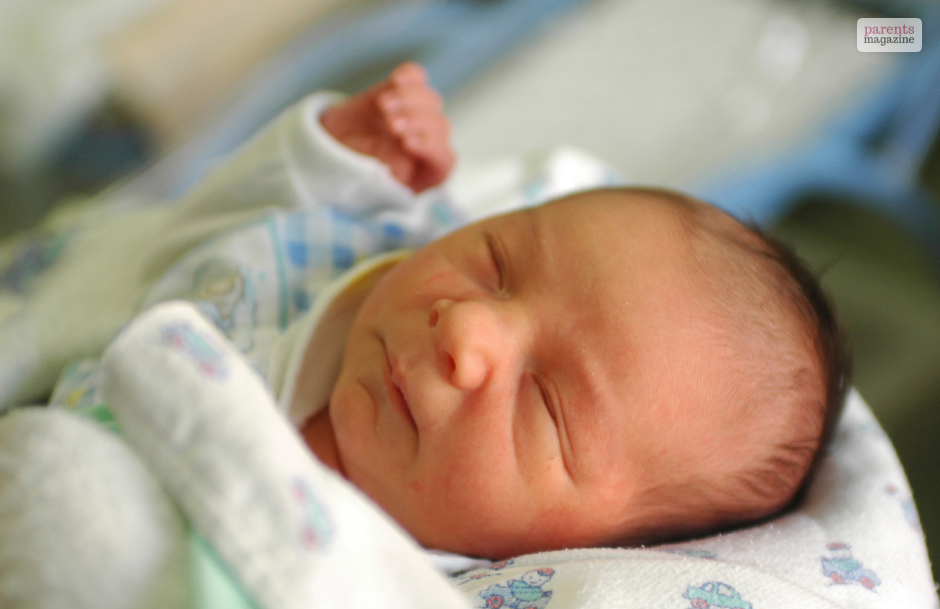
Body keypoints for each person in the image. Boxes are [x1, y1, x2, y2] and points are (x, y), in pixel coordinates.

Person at [0, 63, 850, 562]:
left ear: (581, 548)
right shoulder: (342, 253)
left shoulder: (380, 580)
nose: (469, 331)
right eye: (495, 263)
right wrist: (336, 155)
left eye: (544, 405)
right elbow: (187, 237)